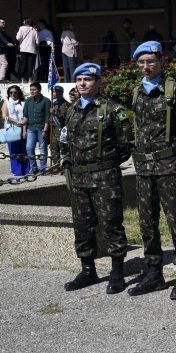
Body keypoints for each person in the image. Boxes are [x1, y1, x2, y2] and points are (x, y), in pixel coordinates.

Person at [125, 41, 176, 300]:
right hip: (144, 168)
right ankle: (153, 272)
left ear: (161, 62)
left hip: (168, 167)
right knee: (147, 223)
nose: (146, 66)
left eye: (150, 61)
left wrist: (173, 155)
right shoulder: (136, 93)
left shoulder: (174, 90)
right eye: (142, 62)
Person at [61, 63, 133, 294]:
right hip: (79, 180)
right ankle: (88, 270)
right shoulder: (71, 111)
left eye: (88, 80)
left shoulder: (112, 110)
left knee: (111, 224)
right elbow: (64, 142)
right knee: (82, 226)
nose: (83, 84)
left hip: (104, 178)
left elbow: (126, 145)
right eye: (79, 80)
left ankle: (117, 271)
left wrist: (104, 165)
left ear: (98, 82)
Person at [22, 82, 51, 174]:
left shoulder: (46, 101)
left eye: (34, 89)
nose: (32, 91)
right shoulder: (28, 101)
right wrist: (24, 130)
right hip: (30, 128)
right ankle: (34, 168)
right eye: (31, 90)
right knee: (29, 147)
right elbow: (25, 116)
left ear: (39, 90)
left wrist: (45, 129)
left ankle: (42, 168)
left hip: (41, 128)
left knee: (42, 148)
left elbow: (47, 116)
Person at [5, 86, 28, 176]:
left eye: (15, 92)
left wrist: (24, 129)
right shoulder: (6, 102)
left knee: (23, 150)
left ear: (19, 93)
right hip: (11, 128)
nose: (13, 94)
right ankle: (17, 171)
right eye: (11, 92)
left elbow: (26, 116)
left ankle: (25, 170)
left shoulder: (23, 103)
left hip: (22, 128)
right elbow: (5, 116)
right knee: (13, 151)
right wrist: (17, 122)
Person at [48, 85, 71, 167]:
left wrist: (55, 113)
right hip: (54, 129)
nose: (55, 94)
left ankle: (66, 166)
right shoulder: (52, 103)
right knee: (54, 148)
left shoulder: (65, 104)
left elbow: (64, 117)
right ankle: (56, 166)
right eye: (54, 92)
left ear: (61, 93)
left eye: (57, 92)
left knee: (63, 147)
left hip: (62, 129)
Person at [16, 17, 39, 83]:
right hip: (32, 49)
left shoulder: (21, 28)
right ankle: (30, 79)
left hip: (23, 49)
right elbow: (37, 41)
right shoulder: (34, 29)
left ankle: (22, 78)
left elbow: (18, 38)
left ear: (24, 22)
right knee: (30, 65)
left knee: (23, 64)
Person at [0, 17, 14, 82]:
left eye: (4, 22)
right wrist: (7, 43)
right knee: (5, 63)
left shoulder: (2, 31)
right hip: (1, 50)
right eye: (2, 22)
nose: (4, 23)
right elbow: (2, 38)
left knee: (1, 64)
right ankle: (1, 79)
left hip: (2, 49)